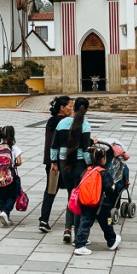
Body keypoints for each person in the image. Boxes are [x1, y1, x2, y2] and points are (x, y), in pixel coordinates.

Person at [50, 96, 91, 243]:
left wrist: (54, 162)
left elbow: (54, 145)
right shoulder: (86, 125)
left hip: (63, 163)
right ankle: (78, 235)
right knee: (78, 198)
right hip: (79, 164)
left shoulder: (62, 123)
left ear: (74, 108)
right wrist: (90, 165)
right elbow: (85, 150)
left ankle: (67, 229)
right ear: (86, 110)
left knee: (71, 195)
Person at [72, 146, 122, 256]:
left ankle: (79, 244)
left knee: (85, 223)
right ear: (103, 159)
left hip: (86, 202)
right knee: (107, 223)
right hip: (101, 204)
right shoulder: (103, 172)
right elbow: (110, 189)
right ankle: (112, 241)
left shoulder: (86, 171)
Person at [39, 96, 72, 233]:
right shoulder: (64, 122)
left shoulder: (51, 121)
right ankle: (72, 221)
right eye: (70, 106)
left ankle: (43, 220)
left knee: (51, 190)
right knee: (72, 190)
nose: (71, 108)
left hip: (52, 161)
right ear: (62, 108)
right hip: (62, 162)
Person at [0, 125, 22, 226]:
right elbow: (19, 162)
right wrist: (13, 164)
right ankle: (5, 212)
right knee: (12, 196)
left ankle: (4, 214)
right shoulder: (14, 148)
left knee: (1, 197)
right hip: (10, 177)